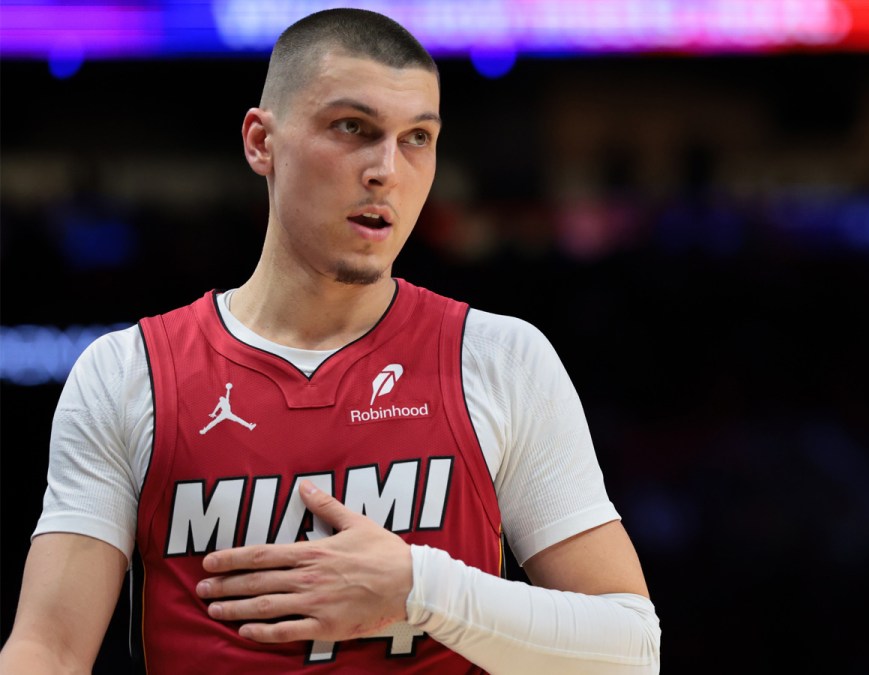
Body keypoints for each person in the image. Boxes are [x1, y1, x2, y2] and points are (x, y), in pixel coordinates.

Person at [0, 8, 661, 674]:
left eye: (417, 138)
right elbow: (48, 649)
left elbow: (629, 649)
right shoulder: (127, 373)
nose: (387, 170)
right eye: (354, 128)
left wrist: (419, 588)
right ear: (261, 142)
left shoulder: (501, 359)